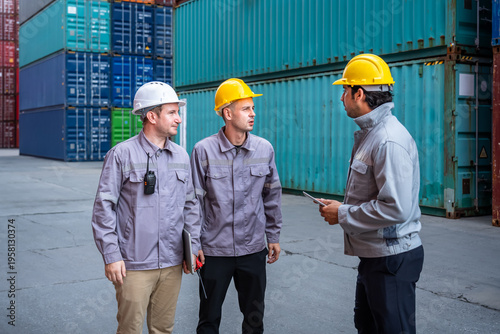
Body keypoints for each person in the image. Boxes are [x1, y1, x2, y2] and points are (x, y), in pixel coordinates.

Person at [319, 54, 424, 334]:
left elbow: (395, 208)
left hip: (390, 259)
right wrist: (343, 207)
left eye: (345, 90)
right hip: (375, 257)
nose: (341, 97)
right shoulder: (372, 134)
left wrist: (342, 213)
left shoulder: (388, 139)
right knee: (367, 326)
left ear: (360, 93)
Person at [91, 81, 201, 334]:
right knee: (130, 329)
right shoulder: (121, 154)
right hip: (133, 265)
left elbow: (191, 206)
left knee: (163, 329)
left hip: (173, 263)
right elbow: (103, 208)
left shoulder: (181, 156)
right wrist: (112, 255)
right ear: (151, 115)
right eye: (172, 113)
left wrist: (192, 247)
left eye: (178, 112)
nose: (179, 119)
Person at [190, 78, 283, 334]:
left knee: (254, 319)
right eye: (246, 109)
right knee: (208, 319)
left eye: (253, 108)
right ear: (227, 113)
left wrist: (273, 235)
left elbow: (272, 195)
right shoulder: (203, 150)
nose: (253, 114)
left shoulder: (264, 149)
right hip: (213, 251)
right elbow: (193, 201)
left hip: (252, 249)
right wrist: (194, 244)